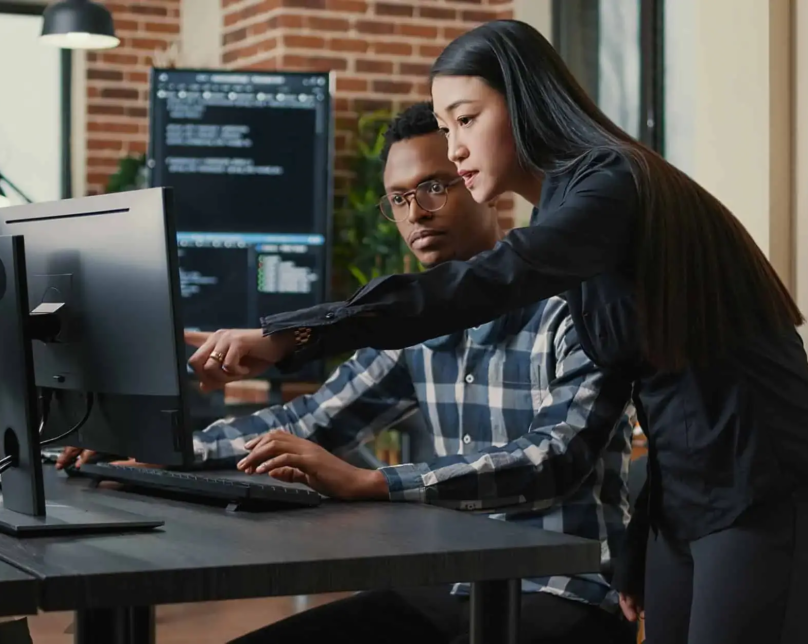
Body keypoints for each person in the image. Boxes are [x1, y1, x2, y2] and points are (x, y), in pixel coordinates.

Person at [186, 20, 808, 644]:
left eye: (467, 120)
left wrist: (292, 333)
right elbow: (667, 391)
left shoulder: (608, 186)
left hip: (768, 484)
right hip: (684, 498)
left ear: (527, 104)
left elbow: (491, 280)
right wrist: (642, 536)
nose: (455, 148)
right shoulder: (575, 211)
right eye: (446, 128)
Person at [62, 102, 638, 644]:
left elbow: (555, 458)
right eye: (399, 198)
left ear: (480, 180)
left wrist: (376, 481)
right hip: (451, 584)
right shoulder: (416, 322)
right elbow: (311, 420)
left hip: (569, 591)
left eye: (434, 187)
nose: (417, 213)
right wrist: (156, 451)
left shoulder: (574, 303)